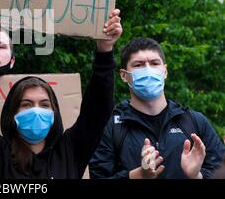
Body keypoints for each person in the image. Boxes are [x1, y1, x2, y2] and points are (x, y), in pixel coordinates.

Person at [0, 0, 123, 178]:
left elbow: (98, 110)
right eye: (27, 104)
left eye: (44, 105)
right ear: (12, 114)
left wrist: (105, 49)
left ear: (54, 113)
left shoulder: (71, 150)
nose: (36, 111)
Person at [89, 37, 225, 179]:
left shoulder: (194, 121)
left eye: (154, 63)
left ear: (164, 71)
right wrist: (137, 175)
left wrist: (197, 176)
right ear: (124, 75)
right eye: (138, 65)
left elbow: (221, 171)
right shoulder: (111, 126)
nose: (148, 69)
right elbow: (96, 176)